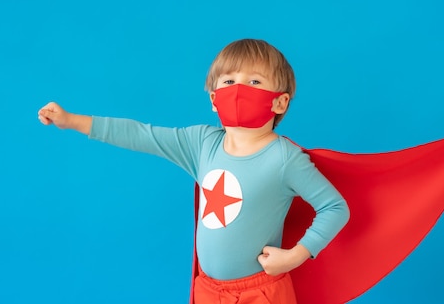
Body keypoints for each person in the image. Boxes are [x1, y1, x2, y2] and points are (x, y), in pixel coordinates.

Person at [38, 38, 350, 304]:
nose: (239, 89)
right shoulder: (201, 143)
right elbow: (141, 134)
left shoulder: (285, 159)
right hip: (207, 290)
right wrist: (72, 121)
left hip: (260, 292)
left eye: (254, 81)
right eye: (228, 81)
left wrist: (296, 255)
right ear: (214, 100)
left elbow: (334, 207)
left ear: (280, 102)